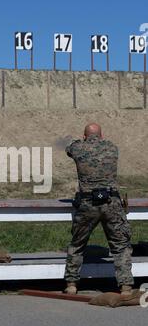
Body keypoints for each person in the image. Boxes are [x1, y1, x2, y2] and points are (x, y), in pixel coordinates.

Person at [64, 123, 134, 296]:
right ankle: (125, 286)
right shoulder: (111, 147)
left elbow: (68, 148)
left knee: (77, 244)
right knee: (120, 246)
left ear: (85, 135)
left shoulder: (78, 147)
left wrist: (80, 140)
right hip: (112, 203)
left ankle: (72, 284)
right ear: (101, 136)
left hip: (88, 203)